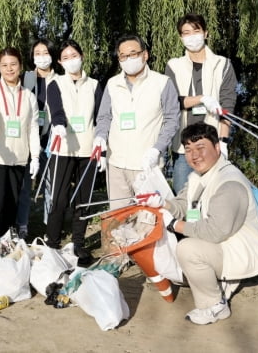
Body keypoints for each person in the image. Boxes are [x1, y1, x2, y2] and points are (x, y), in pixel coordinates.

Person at [138, 122, 258, 325]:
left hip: (239, 249)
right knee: (178, 245)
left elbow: (214, 231)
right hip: (224, 242)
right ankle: (213, 280)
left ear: (217, 148)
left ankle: (215, 305)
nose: (194, 156)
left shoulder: (229, 182)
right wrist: (161, 203)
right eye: (189, 150)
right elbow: (184, 202)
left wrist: (174, 224)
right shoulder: (199, 176)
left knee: (187, 249)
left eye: (201, 148)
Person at [94, 34, 180, 210]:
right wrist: (100, 137)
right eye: (123, 56)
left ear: (145, 55)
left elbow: (172, 120)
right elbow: (104, 117)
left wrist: (157, 150)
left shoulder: (162, 83)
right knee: (119, 217)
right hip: (116, 162)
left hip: (147, 163)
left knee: (148, 218)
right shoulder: (112, 83)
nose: (128, 59)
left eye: (133, 54)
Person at [44, 39, 104, 265]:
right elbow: (56, 110)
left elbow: (101, 117)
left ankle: (79, 243)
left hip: (88, 150)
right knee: (58, 199)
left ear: (82, 56)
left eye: (74, 56)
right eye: (66, 57)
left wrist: (102, 147)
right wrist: (58, 124)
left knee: (83, 200)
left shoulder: (95, 85)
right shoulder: (55, 84)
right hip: (63, 147)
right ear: (59, 61)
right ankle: (52, 242)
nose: (71, 61)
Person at [166, 13, 237, 193]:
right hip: (184, 148)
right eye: (186, 33)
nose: (191, 37)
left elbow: (227, 105)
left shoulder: (223, 64)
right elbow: (172, 101)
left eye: (195, 31)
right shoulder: (174, 65)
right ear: (181, 37)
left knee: (213, 199)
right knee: (185, 199)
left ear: (206, 33)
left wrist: (223, 141)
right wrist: (201, 99)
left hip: (212, 144)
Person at [0, 47, 40, 237]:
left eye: (13, 64)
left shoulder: (29, 96)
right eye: (4, 65)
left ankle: (5, 247)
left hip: (19, 158)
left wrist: (35, 156)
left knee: (12, 206)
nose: (9, 69)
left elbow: (33, 128)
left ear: (20, 66)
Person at [16, 39, 59, 238]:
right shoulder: (24, 78)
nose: (41, 57)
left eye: (45, 52)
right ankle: (22, 224)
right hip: (27, 137)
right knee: (25, 185)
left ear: (52, 55)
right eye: (37, 53)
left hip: (50, 139)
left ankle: (48, 225)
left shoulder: (60, 80)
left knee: (51, 184)